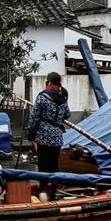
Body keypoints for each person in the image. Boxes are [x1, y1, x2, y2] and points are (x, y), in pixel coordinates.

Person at [26, 72, 71, 200]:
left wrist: (30, 135)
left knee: (43, 165)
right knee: (54, 166)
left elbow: (34, 118)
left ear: (49, 82)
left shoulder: (43, 97)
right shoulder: (62, 99)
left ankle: (43, 191)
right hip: (57, 136)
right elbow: (67, 115)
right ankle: (53, 193)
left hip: (43, 135)